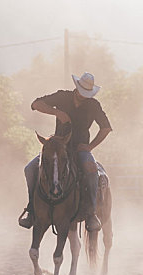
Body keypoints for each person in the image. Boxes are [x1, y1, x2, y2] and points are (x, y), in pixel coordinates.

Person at [19, 72, 112, 231]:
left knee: (91, 170)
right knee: (29, 169)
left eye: (87, 94)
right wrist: (57, 112)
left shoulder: (93, 105)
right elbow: (35, 104)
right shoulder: (62, 97)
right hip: (57, 147)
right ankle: (31, 209)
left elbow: (106, 128)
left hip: (80, 149)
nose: (84, 96)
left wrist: (90, 147)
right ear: (77, 87)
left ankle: (91, 213)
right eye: (82, 92)